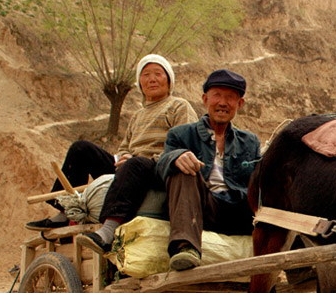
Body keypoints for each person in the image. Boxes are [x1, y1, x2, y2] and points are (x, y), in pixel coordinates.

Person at [27, 54, 197, 240]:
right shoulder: (137, 116)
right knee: (81, 149)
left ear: (169, 80)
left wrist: (139, 161)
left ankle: (109, 228)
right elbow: (125, 147)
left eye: (158, 73)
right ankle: (65, 211)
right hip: (131, 169)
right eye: (146, 74)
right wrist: (122, 158)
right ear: (140, 83)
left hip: (158, 169)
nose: (152, 79)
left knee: (137, 163)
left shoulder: (178, 106)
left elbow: (183, 148)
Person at [155, 69, 260, 271]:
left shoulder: (250, 141)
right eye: (217, 95)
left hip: (240, 210)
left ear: (239, 104)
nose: (222, 103)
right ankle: (186, 247)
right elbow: (160, 164)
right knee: (183, 168)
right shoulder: (181, 134)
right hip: (202, 207)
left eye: (230, 97)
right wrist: (176, 157)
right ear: (205, 99)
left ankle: (295, 258)